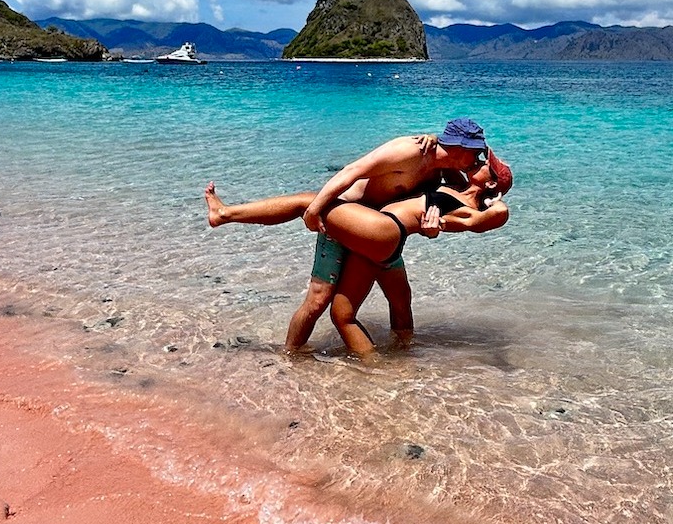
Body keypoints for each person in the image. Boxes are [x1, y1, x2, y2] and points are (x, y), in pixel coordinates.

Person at [205, 118, 491, 350]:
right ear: (460, 147)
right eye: (475, 151)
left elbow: (435, 214)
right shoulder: (409, 151)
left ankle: (405, 356)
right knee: (318, 300)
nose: (478, 157)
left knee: (400, 299)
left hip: (375, 231)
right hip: (347, 217)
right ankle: (289, 357)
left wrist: (432, 232)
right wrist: (317, 209)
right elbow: (352, 171)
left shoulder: (441, 174)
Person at [328, 156, 512, 355]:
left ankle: (374, 369)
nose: (482, 161)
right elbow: (446, 155)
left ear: (491, 182)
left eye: (488, 165)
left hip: (383, 233)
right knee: (401, 304)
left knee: (342, 316)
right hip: (390, 238)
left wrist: (493, 201)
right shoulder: (457, 184)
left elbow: (500, 213)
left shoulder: (469, 211)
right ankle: (405, 354)